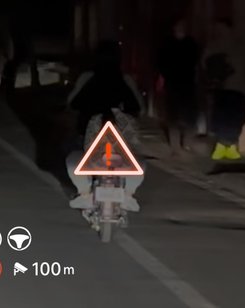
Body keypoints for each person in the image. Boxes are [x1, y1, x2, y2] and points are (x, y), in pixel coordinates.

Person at [66, 40, 145, 212]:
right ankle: (129, 194)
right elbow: (138, 107)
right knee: (136, 163)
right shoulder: (126, 80)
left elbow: (73, 103)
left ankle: (84, 193)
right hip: (120, 141)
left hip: (88, 137)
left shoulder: (87, 78)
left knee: (73, 157)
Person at [202, 19, 245, 160]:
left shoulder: (237, 46)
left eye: (222, 29)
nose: (219, 32)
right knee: (221, 118)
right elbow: (205, 63)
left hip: (236, 88)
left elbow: (243, 65)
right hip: (221, 89)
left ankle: (230, 146)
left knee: (234, 118)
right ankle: (222, 146)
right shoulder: (213, 46)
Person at [156, 18, 200, 154]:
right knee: (173, 115)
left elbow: (196, 62)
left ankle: (187, 143)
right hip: (173, 83)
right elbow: (161, 62)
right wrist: (162, 78)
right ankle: (175, 145)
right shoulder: (168, 44)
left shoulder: (191, 43)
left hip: (187, 83)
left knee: (189, 115)